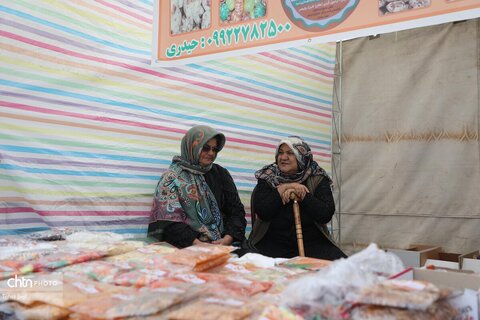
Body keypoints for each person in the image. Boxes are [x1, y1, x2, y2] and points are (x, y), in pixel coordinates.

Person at [248, 136, 346, 260]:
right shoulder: (268, 176)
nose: (283, 158)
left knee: (342, 266)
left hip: (312, 244)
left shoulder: (317, 177)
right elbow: (263, 212)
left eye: (290, 153)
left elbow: (325, 214)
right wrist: (283, 188)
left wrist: (303, 195)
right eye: (280, 153)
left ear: (301, 156)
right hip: (272, 244)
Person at [148, 125, 246, 248]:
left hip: (225, 244)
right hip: (187, 247)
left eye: (214, 149)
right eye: (205, 148)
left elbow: (236, 211)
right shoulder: (172, 178)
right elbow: (168, 222)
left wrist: (227, 239)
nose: (211, 153)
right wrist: (199, 245)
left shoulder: (220, 173)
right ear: (192, 147)